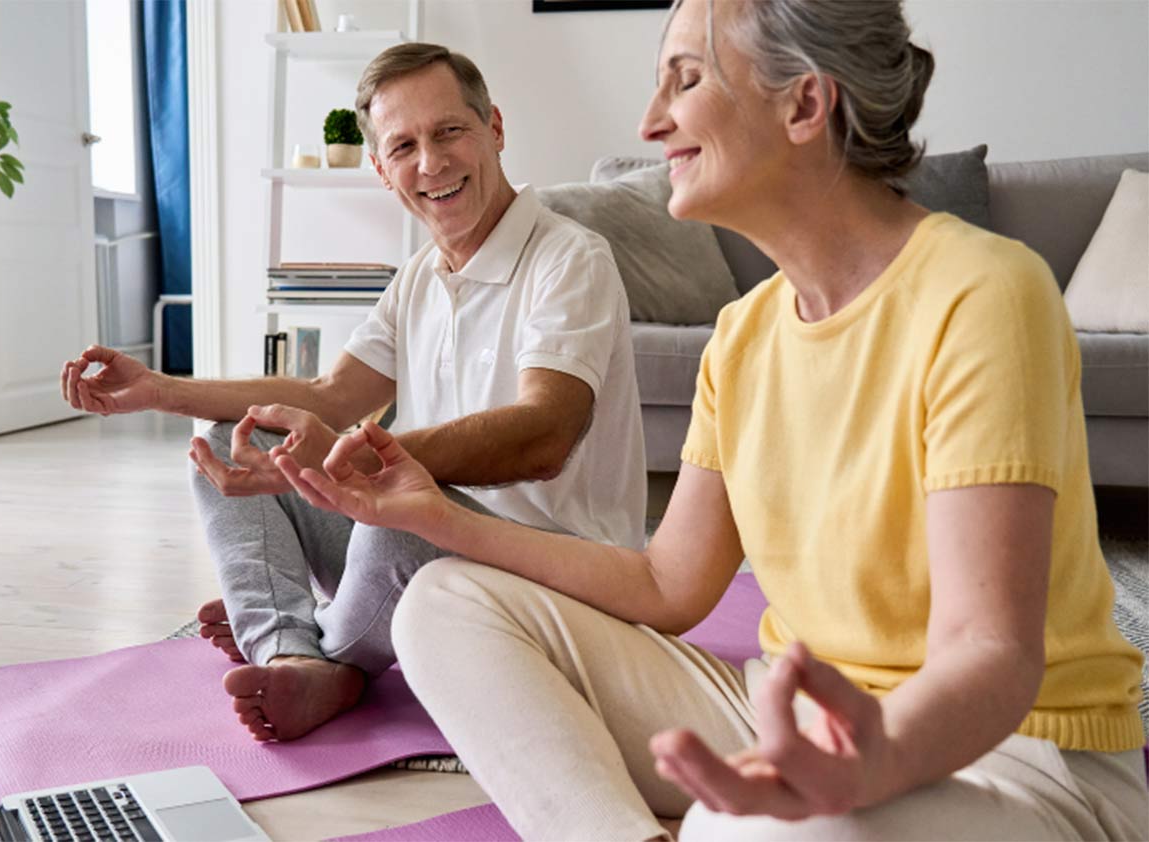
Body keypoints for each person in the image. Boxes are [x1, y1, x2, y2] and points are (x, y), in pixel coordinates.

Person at [268, 0, 1148, 838]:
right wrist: (435, 517)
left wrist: (863, 768)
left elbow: (989, 654)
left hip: (1015, 759)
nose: (650, 122)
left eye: (684, 79)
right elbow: (667, 587)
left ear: (805, 100)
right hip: (786, 718)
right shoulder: (744, 333)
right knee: (439, 601)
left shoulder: (981, 291)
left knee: (744, 824)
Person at [59, 43, 646, 742]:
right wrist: (160, 390)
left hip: (556, 573)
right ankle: (288, 649)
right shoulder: (420, 276)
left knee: (394, 520)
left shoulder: (569, 257)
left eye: (450, 131)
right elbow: (328, 393)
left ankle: (325, 653)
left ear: (493, 127)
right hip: (424, 539)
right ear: (379, 168)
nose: (430, 163)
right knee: (225, 444)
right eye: (403, 145)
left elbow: (545, 435)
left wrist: (357, 463)